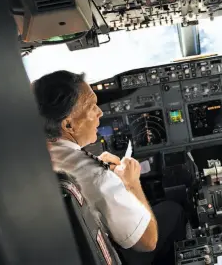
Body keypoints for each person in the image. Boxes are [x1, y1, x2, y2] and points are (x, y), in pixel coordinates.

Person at [32, 71, 185, 264]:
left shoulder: (35, 157)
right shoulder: (97, 176)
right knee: (174, 210)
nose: (100, 112)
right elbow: (148, 241)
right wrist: (131, 184)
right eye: (91, 106)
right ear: (68, 125)